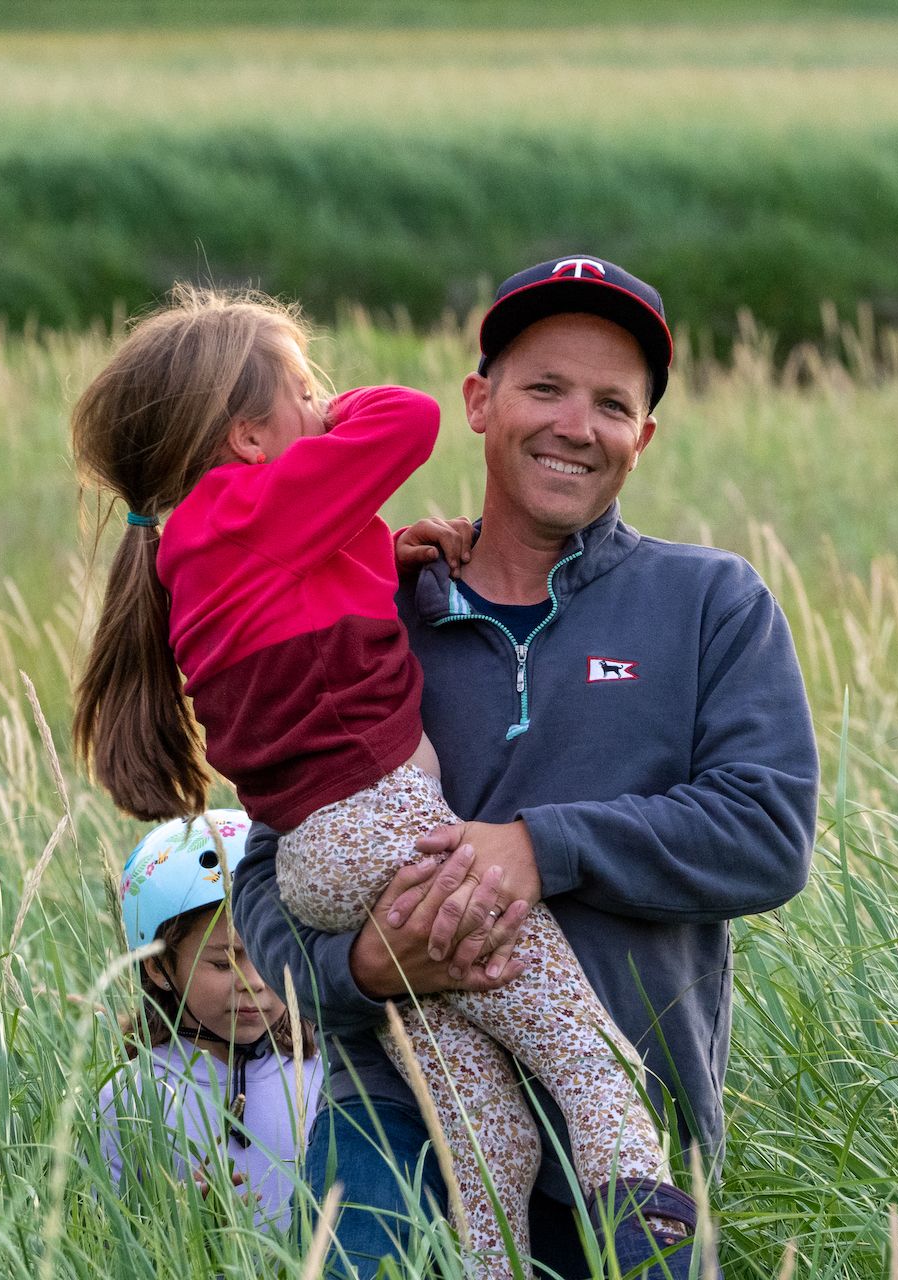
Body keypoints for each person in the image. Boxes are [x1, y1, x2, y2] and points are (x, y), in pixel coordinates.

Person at [69, 285, 694, 1277]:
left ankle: (493, 1261)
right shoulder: (249, 503)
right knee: (593, 1053)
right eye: (305, 392)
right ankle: (648, 1226)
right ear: (245, 436)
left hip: (327, 853)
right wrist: (338, 415)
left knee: (476, 1106)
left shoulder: (204, 540)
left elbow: (299, 606)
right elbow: (409, 415)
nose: (324, 407)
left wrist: (382, 550)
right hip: (383, 826)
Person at [231, 255, 821, 1278]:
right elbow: (267, 871)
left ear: (643, 434)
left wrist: (541, 848)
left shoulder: (711, 602)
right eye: (544, 387)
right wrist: (359, 969)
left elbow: (765, 833)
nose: (573, 424)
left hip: (628, 1147)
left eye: (611, 402)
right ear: (478, 400)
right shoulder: (370, 605)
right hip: (390, 1132)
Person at [98, 809, 324, 1235]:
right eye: (224, 962)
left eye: (271, 951)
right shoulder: (130, 1098)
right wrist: (176, 1231)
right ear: (159, 967)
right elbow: (98, 1239)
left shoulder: (331, 1077)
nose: (255, 981)